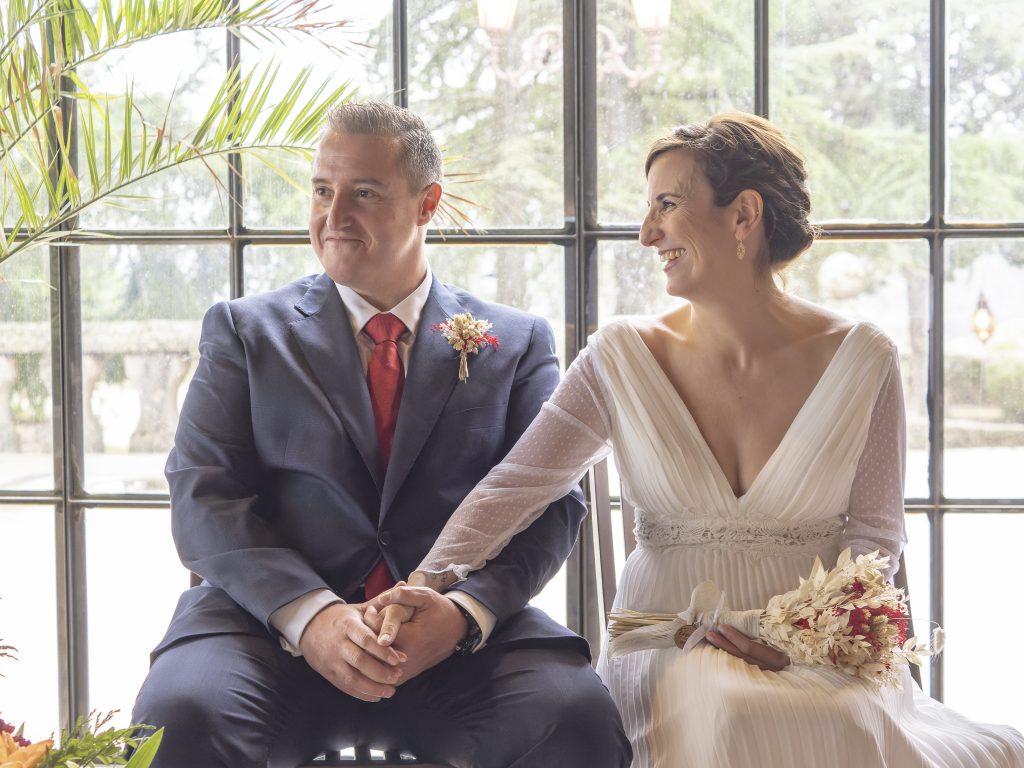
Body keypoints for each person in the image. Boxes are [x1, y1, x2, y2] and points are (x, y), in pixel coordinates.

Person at [372, 113, 1024, 767]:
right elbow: (517, 487)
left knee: (839, 719)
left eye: (667, 205)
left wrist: (807, 640)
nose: (646, 232)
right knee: (739, 708)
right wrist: (425, 582)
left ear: (743, 216)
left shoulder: (864, 359)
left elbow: (876, 537)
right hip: (672, 642)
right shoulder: (620, 355)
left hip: (817, 653)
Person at [131, 101, 631, 768]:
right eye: (321, 190)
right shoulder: (243, 332)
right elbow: (204, 498)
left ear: (428, 204)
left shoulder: (516, 342)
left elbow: (552, 506)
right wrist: (313, 617)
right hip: (265, 632)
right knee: (179, 717)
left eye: (362, 193)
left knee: (576, 719)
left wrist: (461, 616)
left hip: (452, 642)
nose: (333, 216)